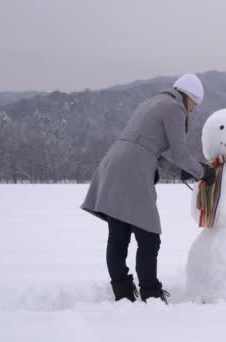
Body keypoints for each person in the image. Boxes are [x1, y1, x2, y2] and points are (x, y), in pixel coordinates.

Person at [81, 74, 216, 303]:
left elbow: (152, 150)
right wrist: (204, 173)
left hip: (114, 163)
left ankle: (122, 292)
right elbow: (180, 153)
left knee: (118, 235)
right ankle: (151, 293)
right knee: (149, 237)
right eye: (195, 104)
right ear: (189, 97)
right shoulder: (175, 108)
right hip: (133, 171)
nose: (193, 110)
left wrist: (183, 172)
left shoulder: (150, 103)